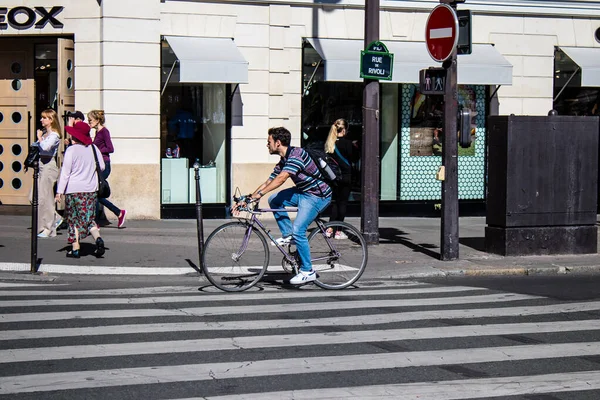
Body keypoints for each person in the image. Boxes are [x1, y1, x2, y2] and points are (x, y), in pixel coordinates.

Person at [237, 127, 332, 285]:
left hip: (317, 196)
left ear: (278, 142)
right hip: (303, 192)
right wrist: (250, 197)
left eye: (269, 142)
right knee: (275, 200)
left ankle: (308, 271)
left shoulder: (296, 155)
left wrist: (259, 195)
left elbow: (281, 179)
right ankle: (289, 235)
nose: (267, 145)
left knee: (299, 229)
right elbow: (269, 181)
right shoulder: (284, 159)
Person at [55, 121, 106, 259]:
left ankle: (75, 248)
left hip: (74, 190)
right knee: (89, 219)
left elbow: (65, 173)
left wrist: (59, 191)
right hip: (90, 190)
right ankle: (98, 239)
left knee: (74, 219)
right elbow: (101, 167)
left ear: (75, 136)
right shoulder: (94, 148)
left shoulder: (71, 150)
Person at [87, 110, 127, 228]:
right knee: (94, 192)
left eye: (90, 121)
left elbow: (110, 148)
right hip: (98, 165)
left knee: (95, 192)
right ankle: (116, 213)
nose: (89, 123)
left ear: (97, 120)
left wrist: (98, 151)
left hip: (105, 164)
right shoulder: (97, 132)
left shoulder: (104, 132)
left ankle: (117, 213)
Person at [324, 118, 358, 239]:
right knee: (342, 203)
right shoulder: (348, 143)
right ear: (344, 130)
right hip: (346, 176)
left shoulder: (330, 143)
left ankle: (329, 229)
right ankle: (339, 231)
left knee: (335, 203)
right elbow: (354, 158)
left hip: (334, 177)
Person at [33, 109, 62, 238]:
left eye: (44, 118)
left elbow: (45, 148)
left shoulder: (54, 135)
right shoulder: (46, 133)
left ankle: (49, 228)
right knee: (33, 197)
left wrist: (39, 138)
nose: (41, 120)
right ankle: (55, 217)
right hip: (41, 165)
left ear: (51, 120)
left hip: (48, 166)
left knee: (46, 199)